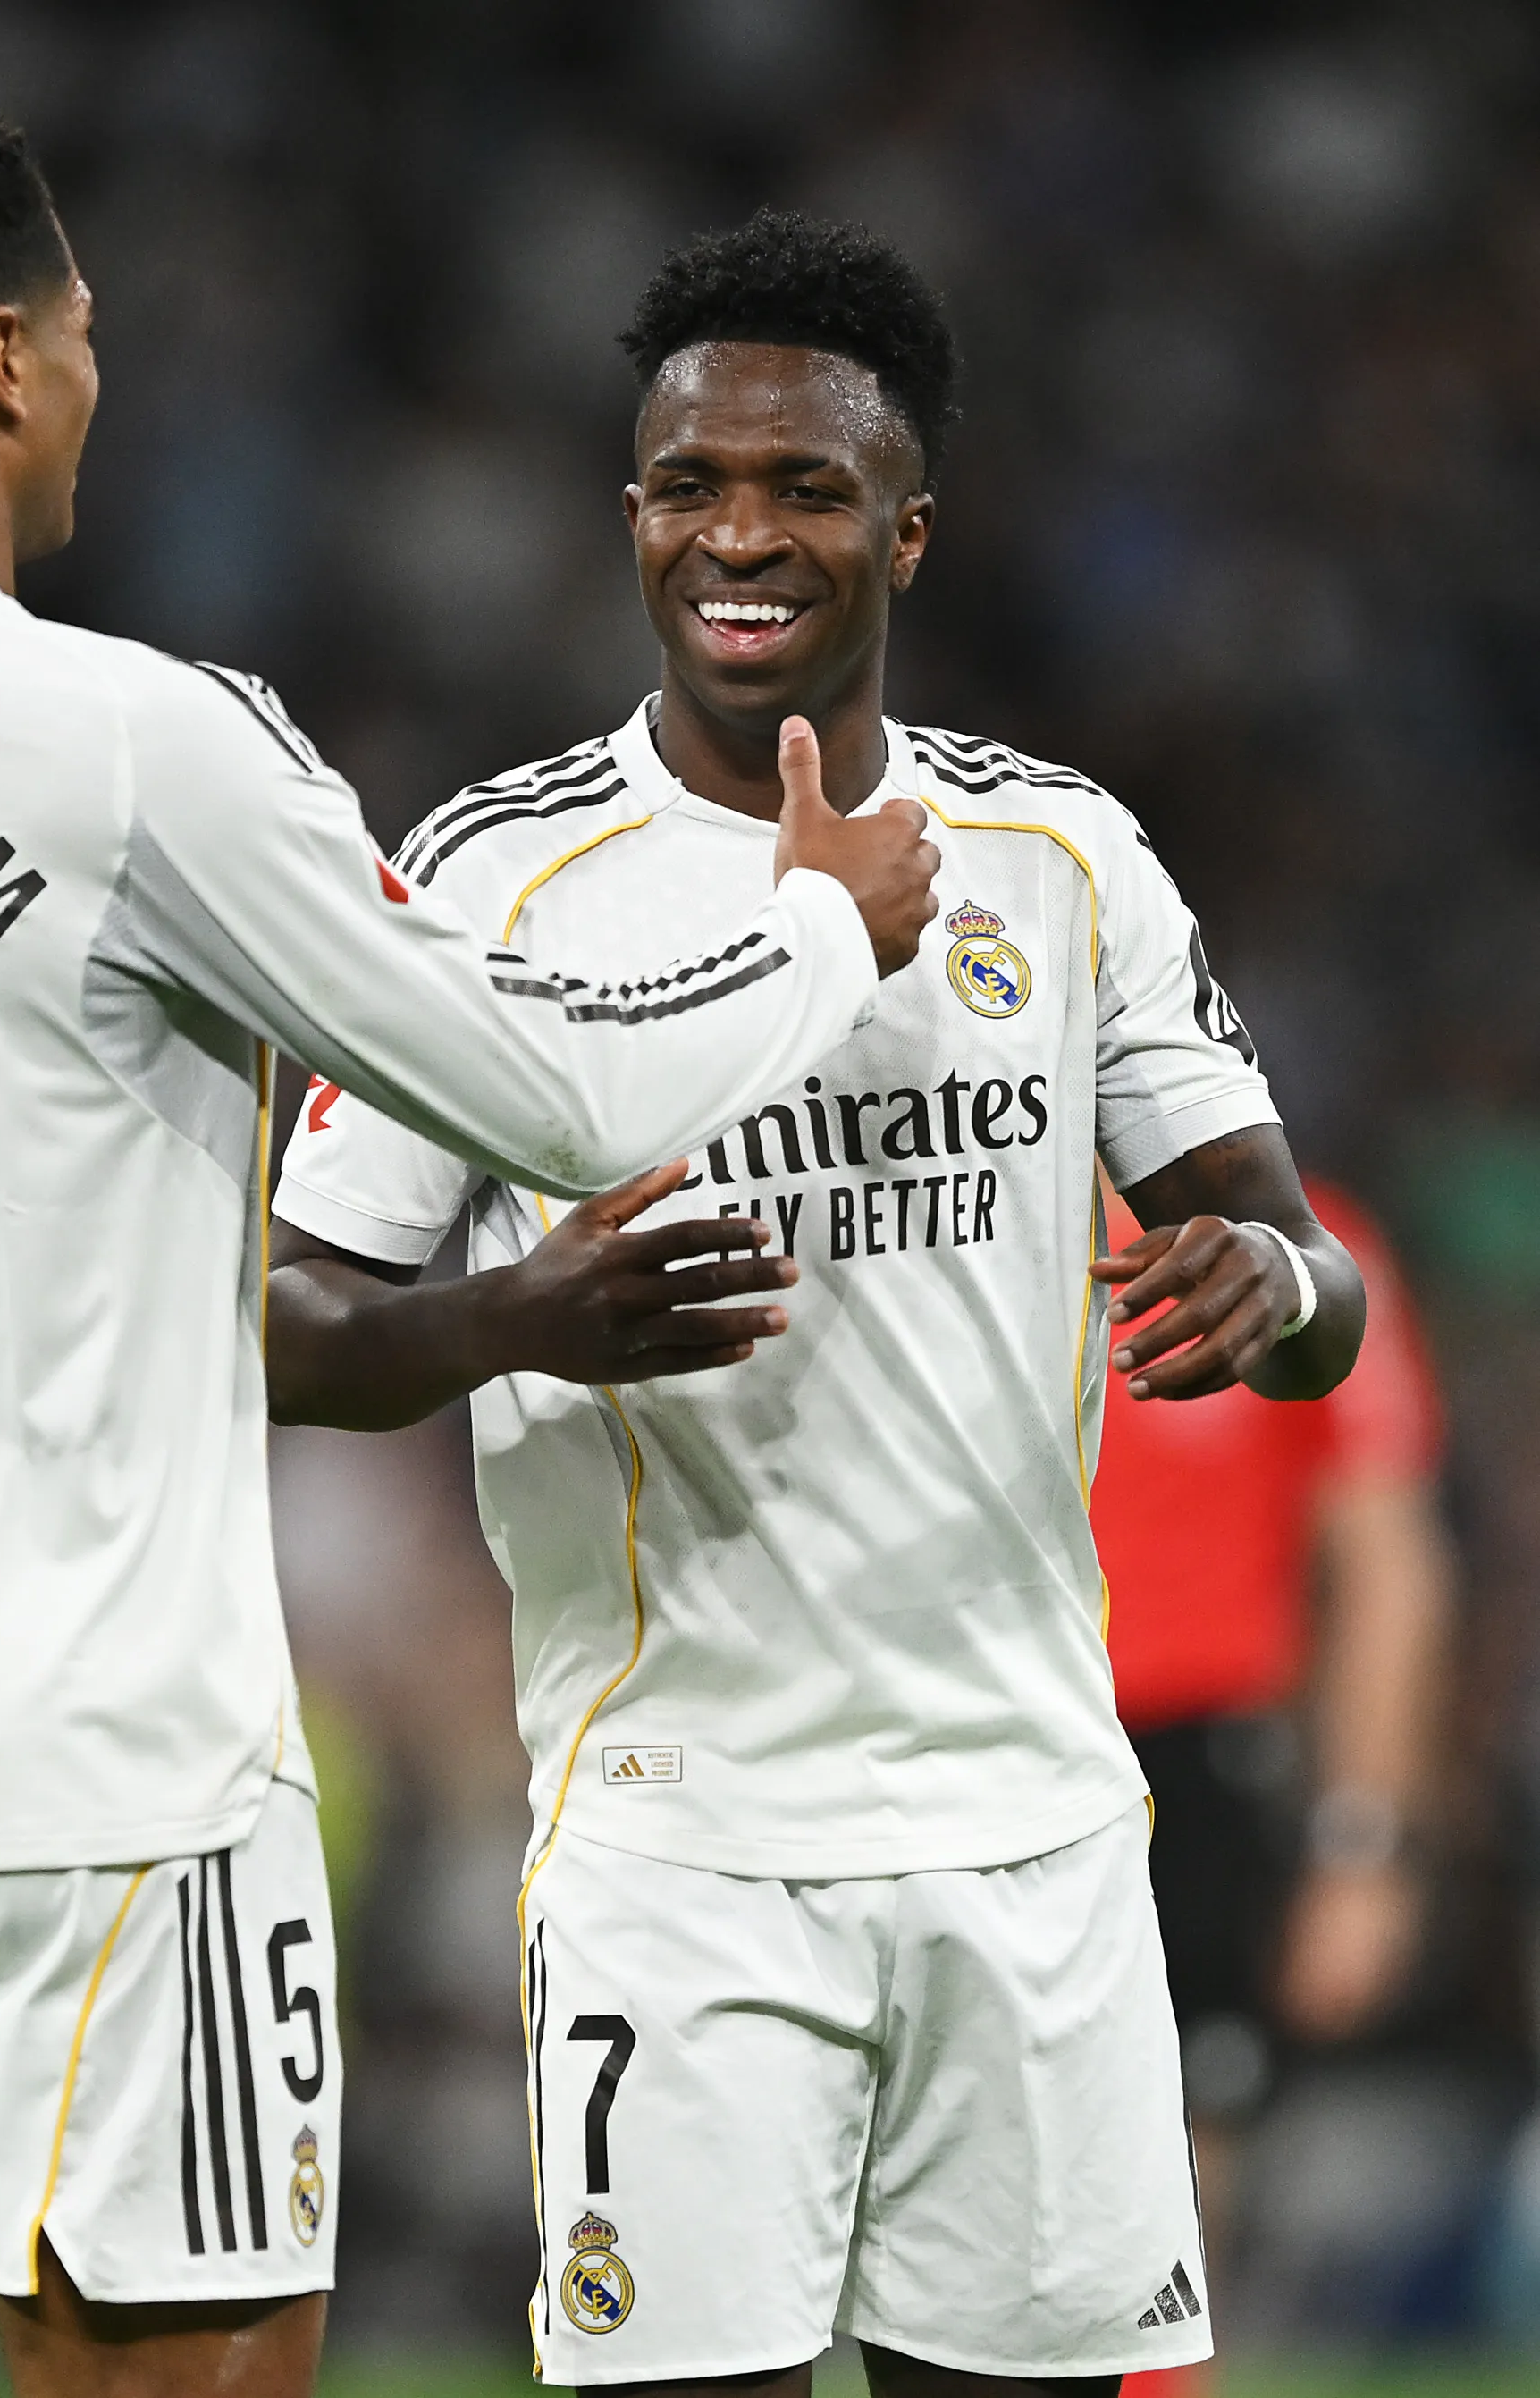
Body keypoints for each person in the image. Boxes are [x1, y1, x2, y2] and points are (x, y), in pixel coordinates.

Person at [0, 95, 939, 2398]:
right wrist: (817, 929)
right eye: (79, 328)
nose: (93, 372)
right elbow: (556, 1094)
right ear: (4, 359)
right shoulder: (134, 742)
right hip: (112, 1762)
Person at [265, 210, 1365, 2398]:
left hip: (1032, 1821)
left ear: (907, 531)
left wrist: (1274, 1278)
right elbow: (290, 1321)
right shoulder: (488, 880)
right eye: (691, 484)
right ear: (633, 516)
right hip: (684, 1836)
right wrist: (521, 1319)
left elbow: (1300, 1267)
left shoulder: (1059, 856)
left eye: (807, 488)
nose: (742, 535)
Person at [1093, 1177, 1452, 2294]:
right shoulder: (945, 1217)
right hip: (980, 1740)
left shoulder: (1302, 1245)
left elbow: (1386, 1562)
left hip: (1195, 1757)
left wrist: (1361, 1848)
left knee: (1175, 2169)